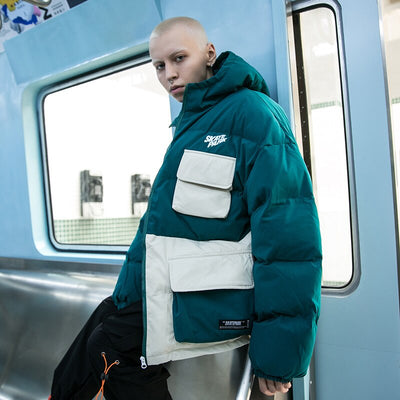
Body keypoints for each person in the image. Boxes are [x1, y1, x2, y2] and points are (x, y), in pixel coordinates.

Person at [49, 16, 322, 399]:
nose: (169, 75)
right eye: (159, 66)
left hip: (210, 293)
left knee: (112, 347)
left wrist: (279, 357)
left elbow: (290, 240)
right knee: (83, 356)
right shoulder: (189, 124)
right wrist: (126, 298)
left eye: (179, 59)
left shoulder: (254, 115)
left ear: (209, 53)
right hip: (164, 287)